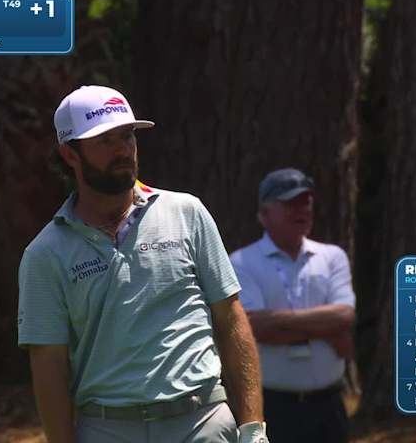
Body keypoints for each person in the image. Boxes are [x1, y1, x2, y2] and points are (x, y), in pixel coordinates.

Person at [17, 85, 269, 443]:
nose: (123, 149)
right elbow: (48, 364)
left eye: (127, 136)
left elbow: (230, 318)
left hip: (203, 422)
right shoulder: (45, 253)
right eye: (105, 141)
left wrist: (253, 428)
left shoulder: (187, 213)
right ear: (70, 154)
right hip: (107, 429)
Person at [230, 168, 356, 443]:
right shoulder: (241, 262)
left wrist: (279, 326)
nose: (302, 210)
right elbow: (254, 326)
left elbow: (344, 315)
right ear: (264, 214)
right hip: (273, 407)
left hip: (329, 406)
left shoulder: (332, 257)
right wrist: (326, 329)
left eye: (306, 202)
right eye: (290, 203)